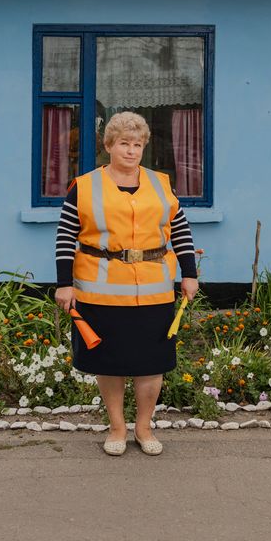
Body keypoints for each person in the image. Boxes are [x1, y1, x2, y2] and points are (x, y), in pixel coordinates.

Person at [54, 111, 199, 456]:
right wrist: (64, 284)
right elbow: (65, 236)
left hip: (154, 292)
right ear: (109, 146)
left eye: (137, 144)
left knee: (152, 363)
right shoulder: (84, 186)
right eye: (124, 143)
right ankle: (117, 427)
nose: (131, 151)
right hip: (100, 294)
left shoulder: (161, 184)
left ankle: (144, 427)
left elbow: (180, 230)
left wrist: (190, 273)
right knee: (110, 363)